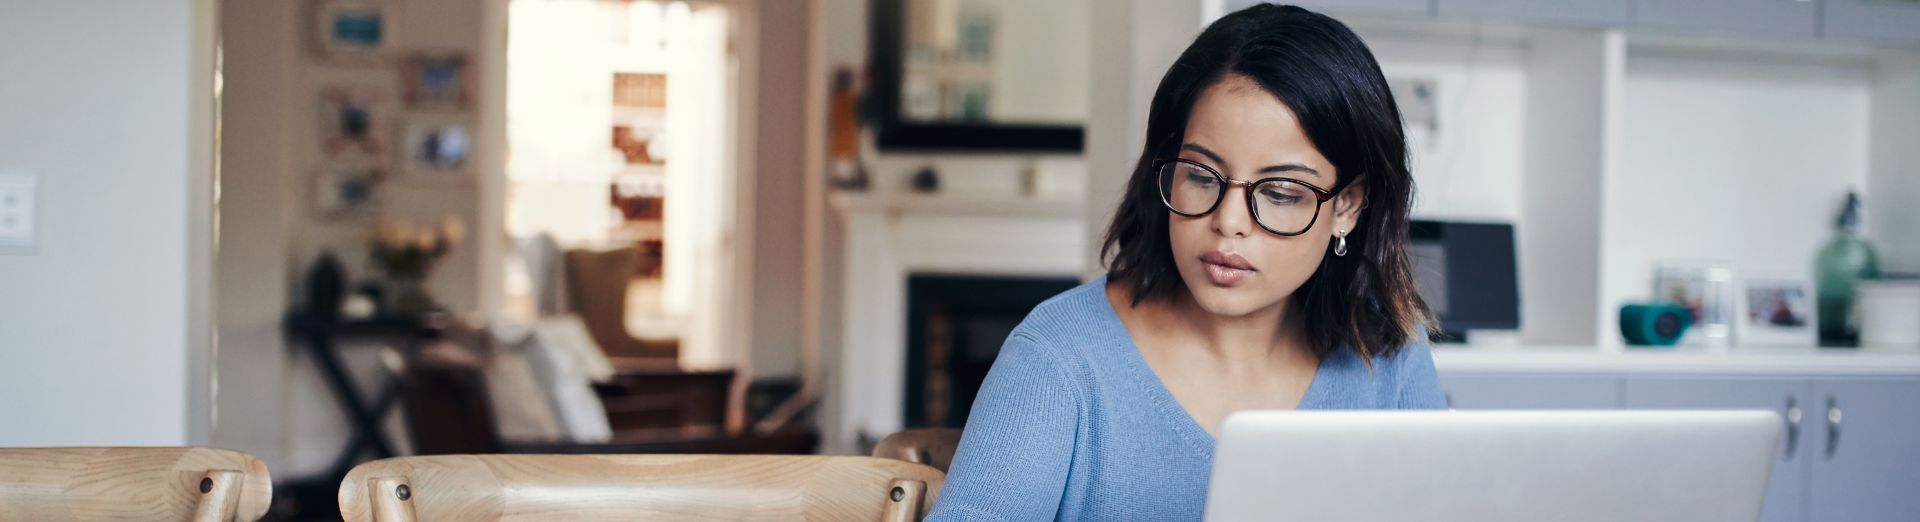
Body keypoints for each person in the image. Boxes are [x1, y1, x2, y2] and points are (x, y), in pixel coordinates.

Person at [926, 4, 1446, 520]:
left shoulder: (1389, 353)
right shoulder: (1058, 358)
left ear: (1348, 206)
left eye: (1281, 191)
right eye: (1201, 175)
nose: (1229, 222)